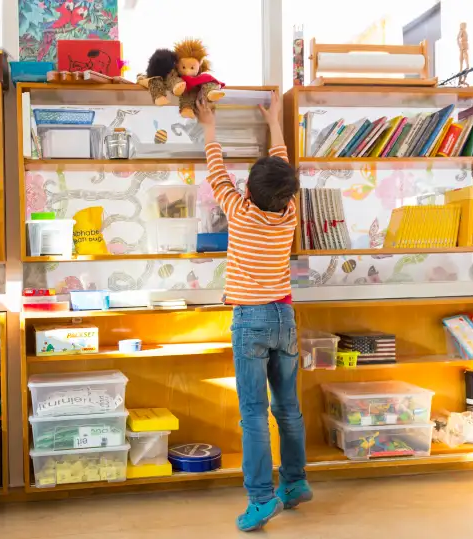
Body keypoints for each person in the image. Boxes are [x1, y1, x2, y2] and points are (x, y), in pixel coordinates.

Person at [196, 92, 311, 532]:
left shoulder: (240, 213)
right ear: (288, 195)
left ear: (246, 192)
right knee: (288, 408)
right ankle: (296, 483)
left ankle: (262, 499)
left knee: (253, 413)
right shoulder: (291, 212)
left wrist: (208, 124)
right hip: (285, 318)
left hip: (251, 320)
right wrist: (275, 122)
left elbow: (215, 169)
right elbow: (281, 167)